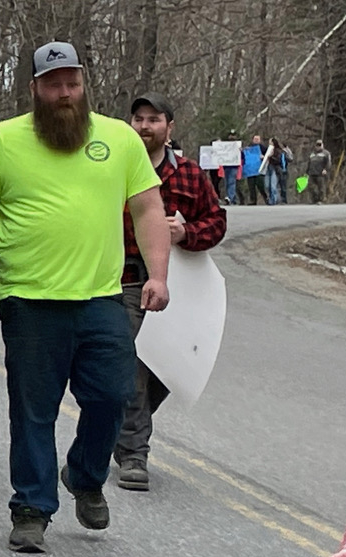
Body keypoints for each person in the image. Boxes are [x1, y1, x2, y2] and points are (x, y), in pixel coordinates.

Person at [0, 41, 171, 553]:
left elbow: (148, 208)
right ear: (35, 88)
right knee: (33, 410)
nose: (65, 93)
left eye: (73, 83)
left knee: (110, 396)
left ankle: (84, 474)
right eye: (54, 84)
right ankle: (32, 508)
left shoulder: (119, 138)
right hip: (27, 298)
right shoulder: (0, 141)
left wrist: (158, 274)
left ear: (84, 84)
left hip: (101, 296)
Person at [118, 93, 226, 491]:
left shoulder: (190, 176)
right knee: (134, 363)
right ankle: (133, 453)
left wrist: (187, 233)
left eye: (153, 119)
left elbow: (216, 222)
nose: (145, 126)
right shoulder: (117, 167)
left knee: (166, 369)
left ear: (169, 127)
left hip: (177, 280)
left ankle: (123, 430)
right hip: (125, 277)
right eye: (138, 119)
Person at [244, 135, 268, 205]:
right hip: (250, 170)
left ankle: (266, 198)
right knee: (251, 186)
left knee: (260, 185)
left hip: (259, 170)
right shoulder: (249, 147)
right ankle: (253, 200)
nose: (256, 140)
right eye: (255, 139)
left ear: (260, 140)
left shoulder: (263, 148)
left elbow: (268, 155)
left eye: (257, 139)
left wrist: (263, 157)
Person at [262, 137, 286, 205]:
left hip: (275, 169)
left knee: (273, 185)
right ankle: (270, 198)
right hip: (268, 168)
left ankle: (274, 200)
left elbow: (278, 160)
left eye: (270, 142)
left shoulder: (278, 151)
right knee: (267, 185)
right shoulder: (268, 150)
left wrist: (271, 157)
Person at [308, 139, 333, 204]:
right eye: (317, 145)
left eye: (320, 145)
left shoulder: (326, 153)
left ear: (322, 145)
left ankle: (321, 200)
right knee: (311, 187)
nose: (318, 146)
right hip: (312, 173)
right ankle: (315, 199)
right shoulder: (312, 154)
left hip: (320, 173)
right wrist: (307, 172)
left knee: (321, 187)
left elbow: (328, 163)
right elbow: (309, 163)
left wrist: (325, 169)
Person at [222, 129, 241, 205]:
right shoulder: (224, 146)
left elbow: (242, 157)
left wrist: (240, 151)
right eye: (231, 135)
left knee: (231, 182)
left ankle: (230, 197)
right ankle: (232, 198)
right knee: (227, 183)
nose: (232, 137)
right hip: (226, 166)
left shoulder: (238, 146)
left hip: (234, 166)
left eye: (233, 135)